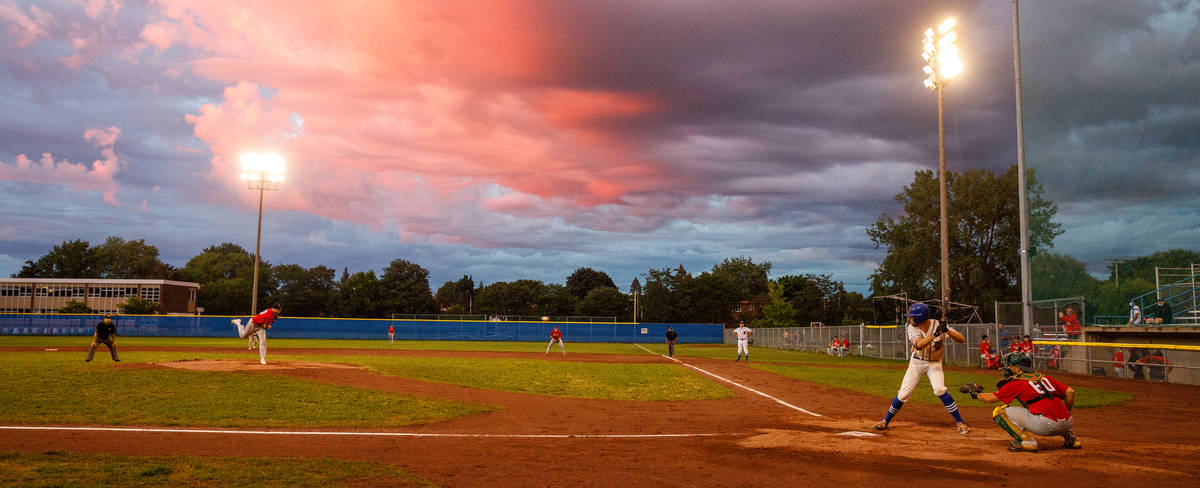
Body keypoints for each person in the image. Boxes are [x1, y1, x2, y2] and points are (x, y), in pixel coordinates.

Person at [871, 302, 970, 435]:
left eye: (911, 316)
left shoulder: (938, 325)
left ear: (919, 317)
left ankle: (960, 423)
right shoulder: (912, 328)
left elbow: (961, 339)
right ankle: (885, 421)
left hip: (934, 363)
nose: (909, 319)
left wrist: (947, 331)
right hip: (917, 363)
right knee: (903, 394)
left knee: (940, 389)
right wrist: (935, 334)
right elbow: (918, 345)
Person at [966, 353, 1081, 452]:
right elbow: (1070, 392)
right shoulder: (1045, 378)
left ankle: (1027, 441)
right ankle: (1070, 438)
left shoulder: (1018, 382)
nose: (1008, 368)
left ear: (1018, 368)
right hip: (1068, 423)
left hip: (1047, 425)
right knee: (1044, 406)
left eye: (1010, 366)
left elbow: (990, 398)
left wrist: (977, 394)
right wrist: (1067, 412)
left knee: (999, 412)